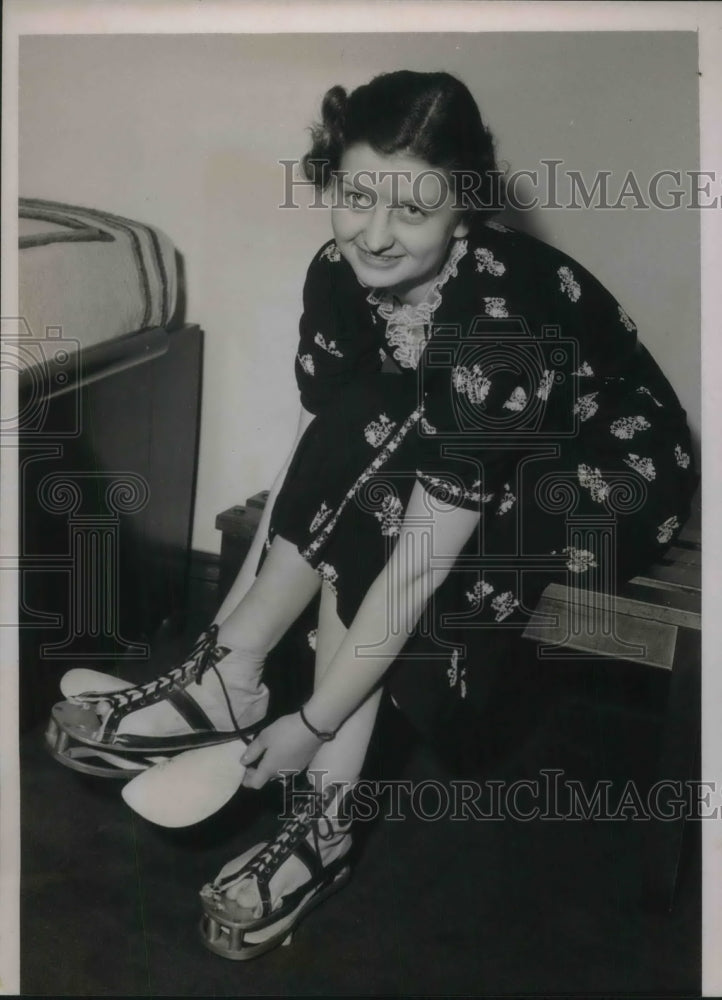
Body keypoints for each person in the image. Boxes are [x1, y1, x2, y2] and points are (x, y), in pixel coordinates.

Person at [46, 70, 697, 960]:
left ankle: (326, 820)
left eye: (415, 211)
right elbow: (323, 446)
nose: (376, 234)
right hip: (459, 452)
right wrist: (234, 629)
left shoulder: (498, 319)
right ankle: (228, 682)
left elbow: (421, 558)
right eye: (356, 196)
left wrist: (310, 724)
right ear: (331, 178)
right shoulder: (338, 271)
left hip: (609, 468)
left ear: (463, 210)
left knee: (392, 514)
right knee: (373, 438)